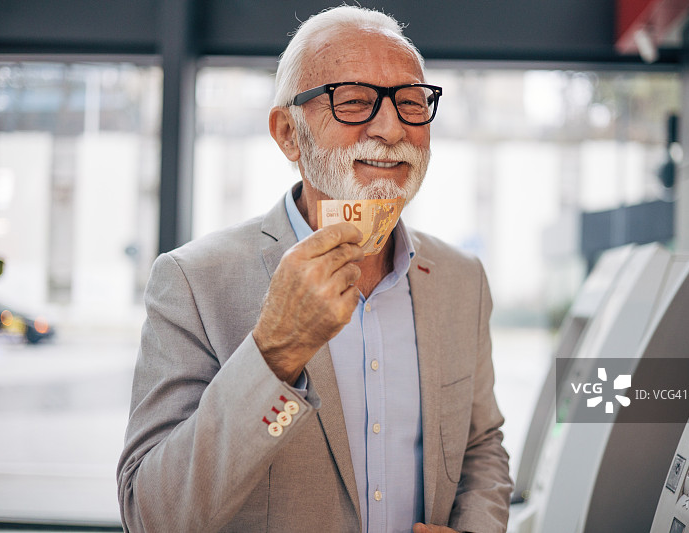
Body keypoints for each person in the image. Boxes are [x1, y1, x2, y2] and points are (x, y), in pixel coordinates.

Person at [117, 5, 512, 532]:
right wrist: (276, 353)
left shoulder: (462, 279)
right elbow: (151, 515)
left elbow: (480, 445)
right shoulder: (194, 282)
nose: (392, 128)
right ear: (287, 133)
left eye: (412, 102)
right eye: (354, 102)